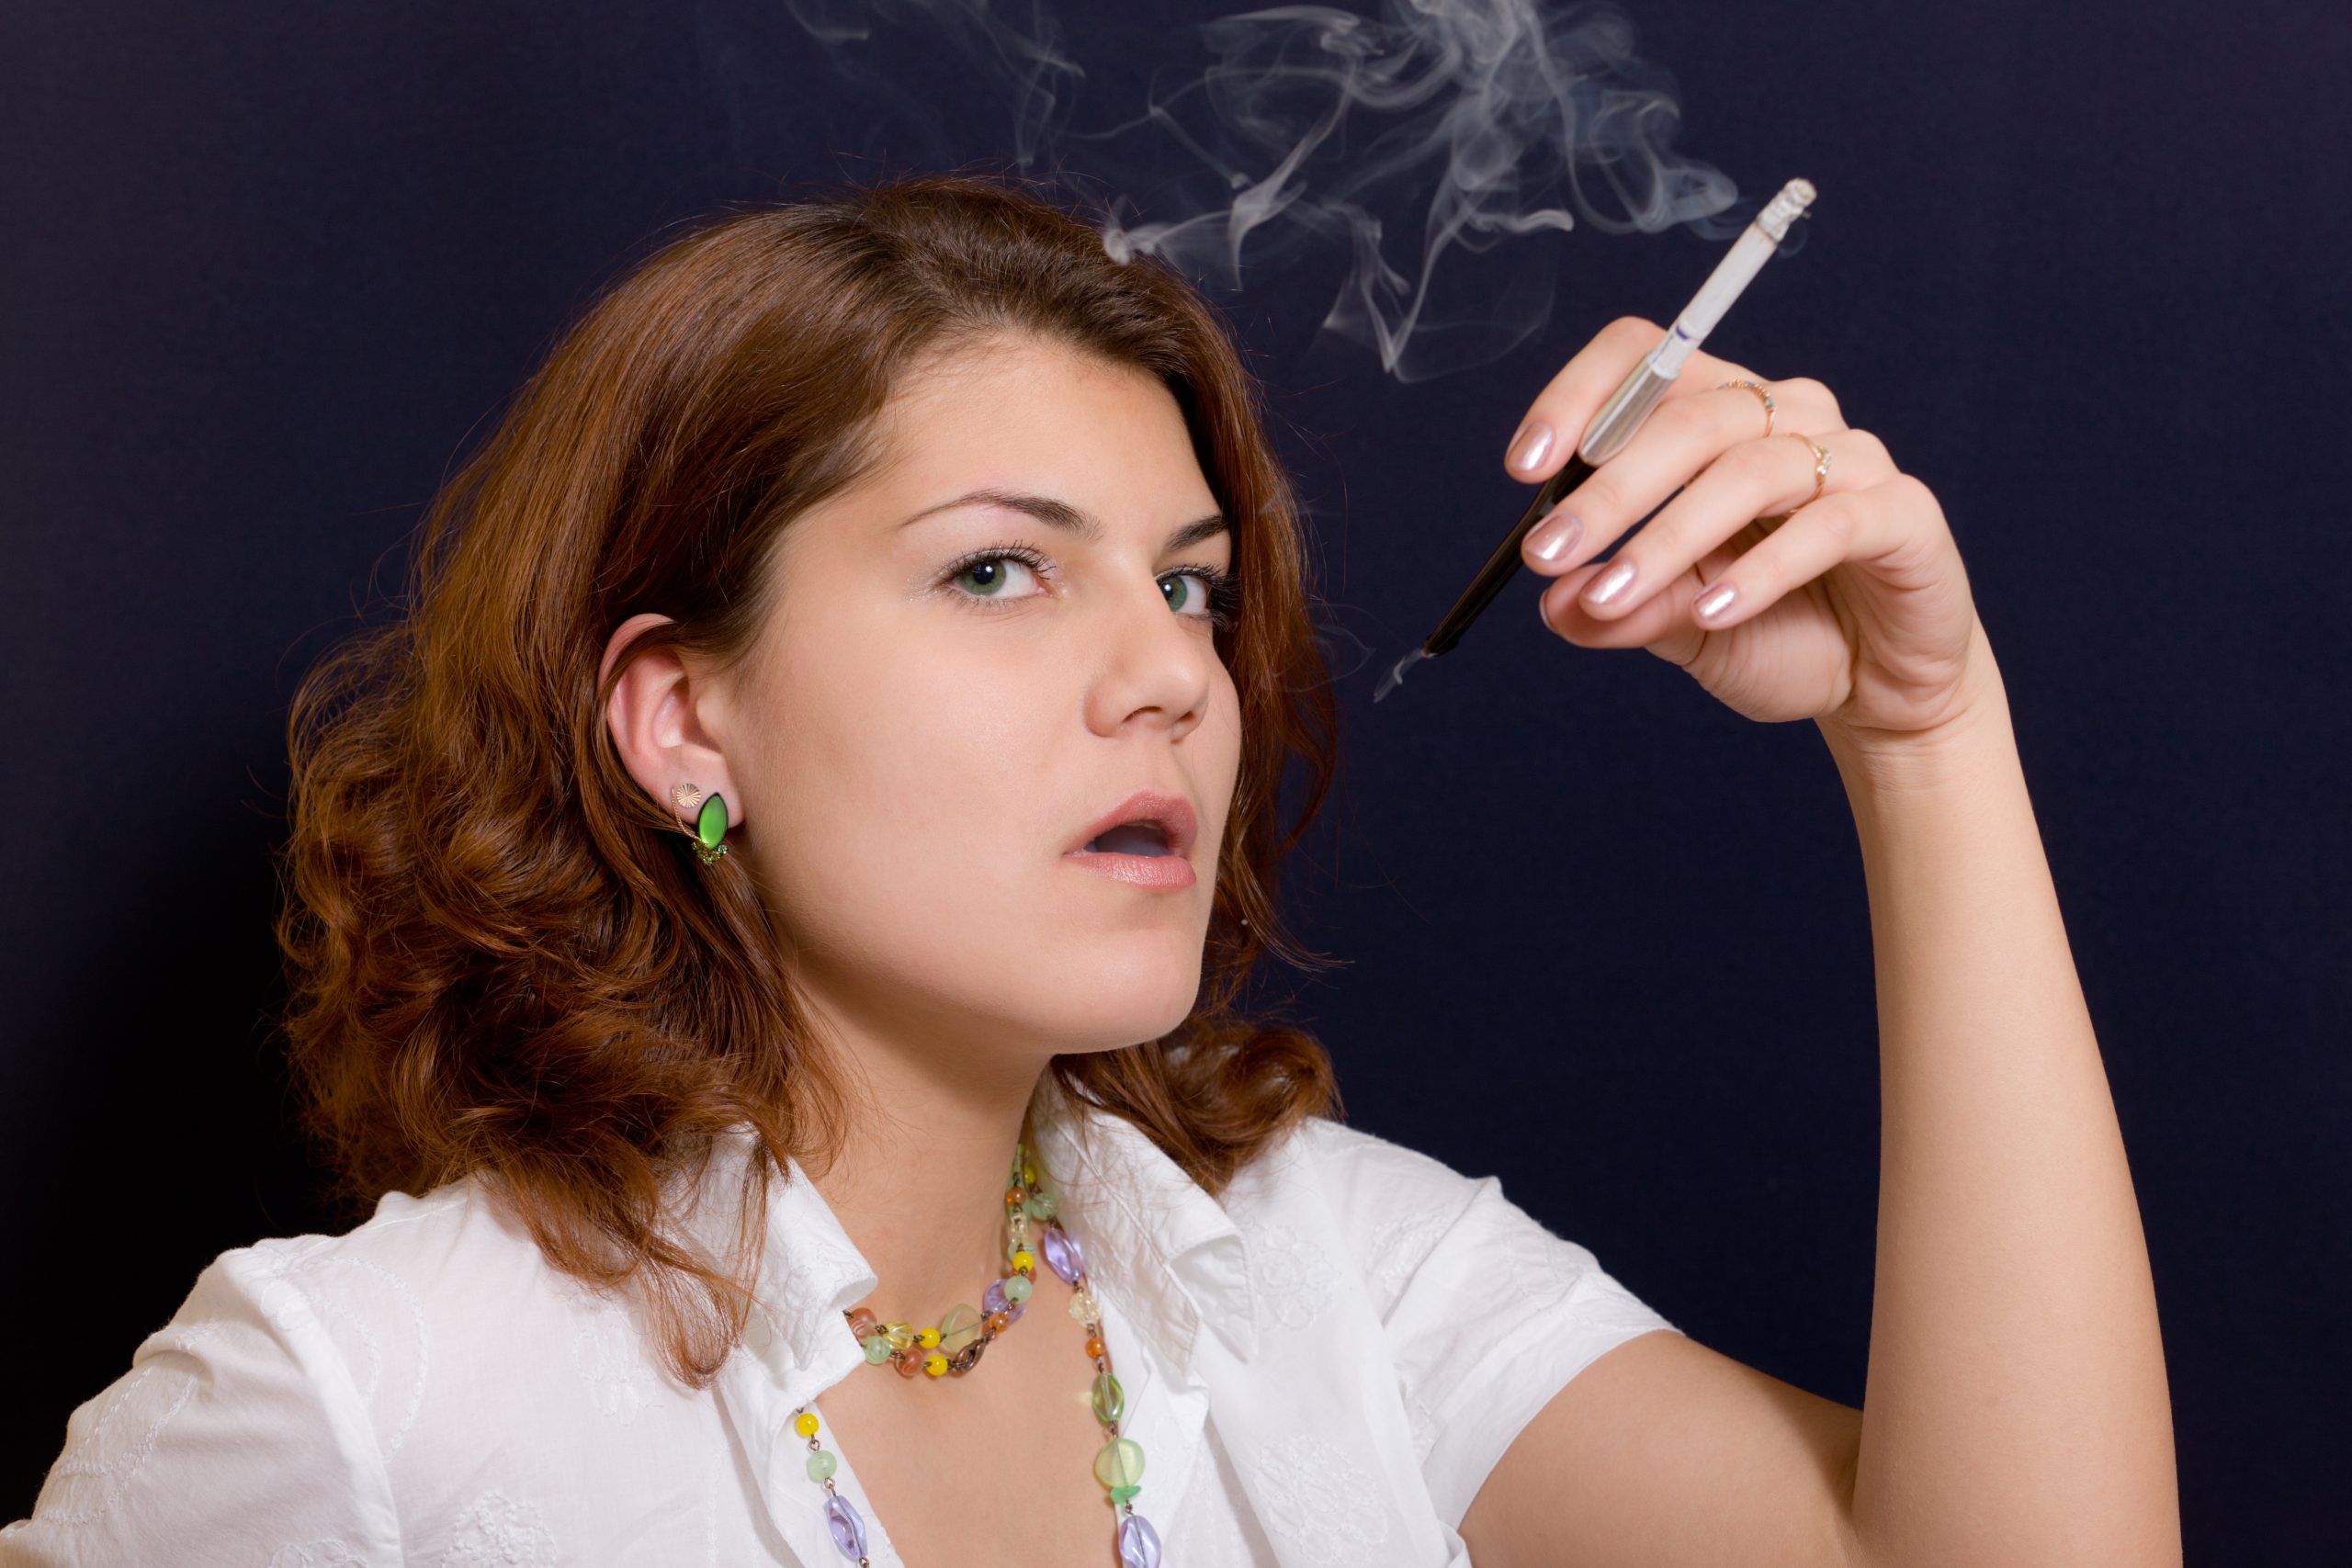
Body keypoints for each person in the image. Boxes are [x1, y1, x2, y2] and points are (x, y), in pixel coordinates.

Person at [2, 172, 2177, 1567]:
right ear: (679, 716)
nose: (1168, 677)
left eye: (1193, 587)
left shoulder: (1322, 1272)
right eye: (995, 570)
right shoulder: (360, 1410)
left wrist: (1919, 731)